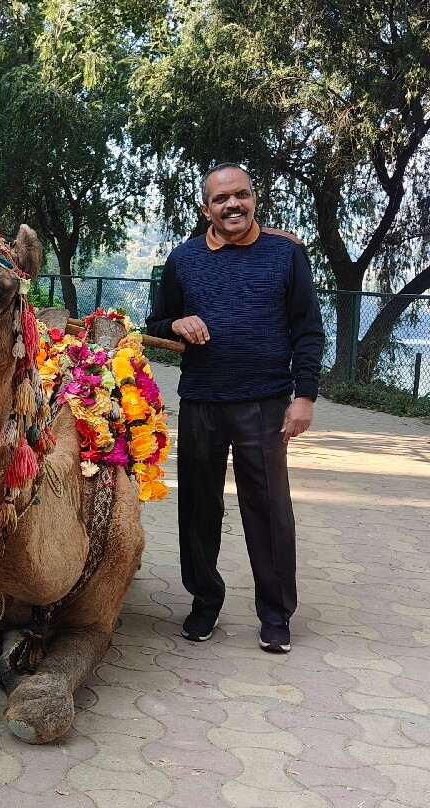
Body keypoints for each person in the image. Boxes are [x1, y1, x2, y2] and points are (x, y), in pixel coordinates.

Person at [145, 162, 324, 654]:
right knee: (198, 509)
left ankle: (275, 615)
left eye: (241, 195)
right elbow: (155, 322)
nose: (233, 205)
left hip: (265, 404)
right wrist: (177, 323)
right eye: (221, 199)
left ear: (253, 198)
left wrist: (304, 396)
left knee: (268, 511)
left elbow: (308, 330)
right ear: (206, 208)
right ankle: (204, 602)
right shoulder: (183, 260)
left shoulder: (286, 253)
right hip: (201, 402)